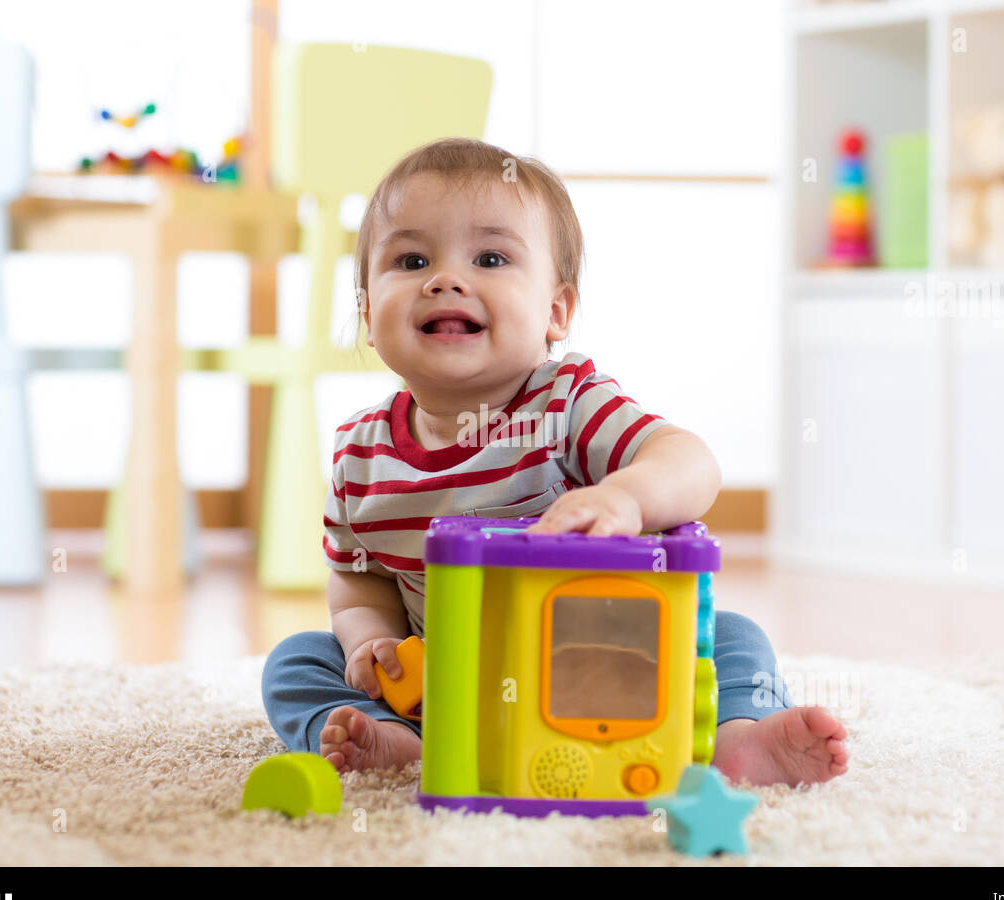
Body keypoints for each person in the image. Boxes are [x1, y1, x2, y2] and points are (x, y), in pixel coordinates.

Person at [262, 138, 849, 787]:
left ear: (555, 310)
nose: (444, 279)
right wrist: (368, 639)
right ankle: (394, 743)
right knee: (296, 661)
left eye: (489, 257)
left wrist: (626, 497)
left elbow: (691, 461)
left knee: (730, 637)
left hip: (605, 671)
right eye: (411, 259)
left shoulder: (570, 404)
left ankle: (738, 738)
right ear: (369, 315)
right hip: (444, 689)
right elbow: (358, 579)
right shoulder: (358, 454)